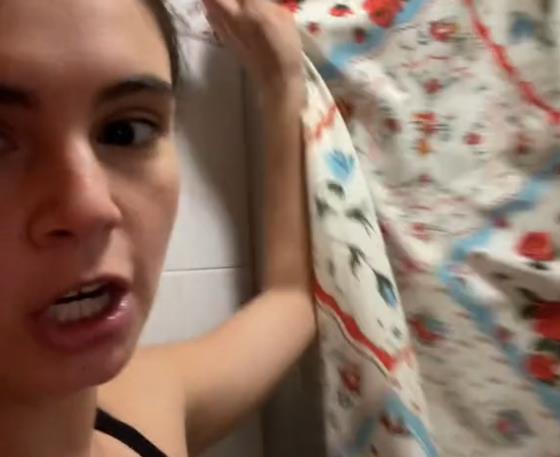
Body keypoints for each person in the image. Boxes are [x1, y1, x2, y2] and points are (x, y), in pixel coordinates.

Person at [0, 0, 314, 456]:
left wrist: (281, 84)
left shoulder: (147, 404)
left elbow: (290, 302)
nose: (91, 208)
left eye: (126, 131)